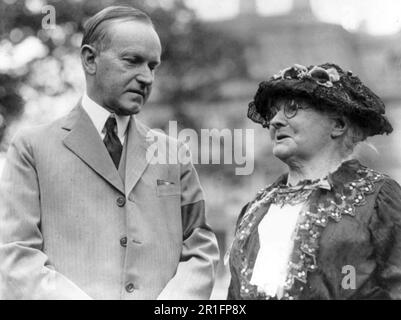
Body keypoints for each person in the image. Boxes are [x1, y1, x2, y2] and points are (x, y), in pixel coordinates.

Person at [0, 6, 219, 300]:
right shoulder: (31, 147)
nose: (147, 78)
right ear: (90, 59)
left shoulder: (173, 153)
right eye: (133, 61)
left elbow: (200, 244)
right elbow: (17, 255)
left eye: (153, 66)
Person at [227, 63, 401, 300]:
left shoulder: (378, 198)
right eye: (273, 112)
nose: (276, 121)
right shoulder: (255, 210)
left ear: (338, 124)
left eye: (292, 108)